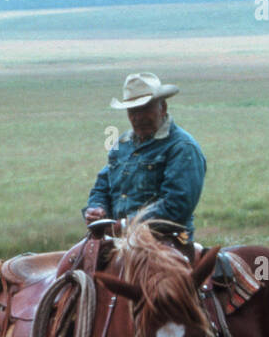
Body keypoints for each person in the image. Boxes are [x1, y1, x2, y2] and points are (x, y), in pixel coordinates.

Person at [84, 72, 207, 242]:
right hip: (116, 239)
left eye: (145, 109)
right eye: (133, 111)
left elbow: (177, 206)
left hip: (164, 241)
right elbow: (102, 186)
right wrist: (97, 208)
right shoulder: (122, 144)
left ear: (162, 108)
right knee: (71, 264)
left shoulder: (182, 147)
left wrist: (126, 225)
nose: (138, 118)